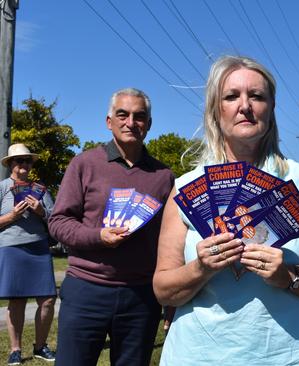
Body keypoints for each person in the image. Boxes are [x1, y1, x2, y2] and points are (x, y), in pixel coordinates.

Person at [153, 55, 299, 365]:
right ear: (217, 109)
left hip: (289, 354)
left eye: (256, 96)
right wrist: (201, 267)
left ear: (271, 108)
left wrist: (288, 275)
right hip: (199, 354)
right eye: (231, 96)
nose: (245, 106)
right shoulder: (186, 186)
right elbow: (163, 290)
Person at [48, 88, 174, 366]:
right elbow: (58, 222)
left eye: (140, 116)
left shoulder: (164, 176)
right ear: (109, 122)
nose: (131, 122)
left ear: (149, 124)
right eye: (123, 114)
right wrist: (98, 236)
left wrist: (171, 298)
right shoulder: (84, 164)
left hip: (141, 295)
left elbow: (170, 241)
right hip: (86, 288)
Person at [0, 144, 56, 365]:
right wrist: (12, 216)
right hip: (11, 248)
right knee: (17, 301)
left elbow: (56, 220)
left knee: (48, 300)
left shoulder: (41, 189)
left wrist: (41, 211)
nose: (23, 164)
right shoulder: (2, 188)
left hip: (39, 249)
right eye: (18, 160)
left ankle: (40, 346)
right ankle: (15, 350)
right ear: (11, 164)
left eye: (27, 160)